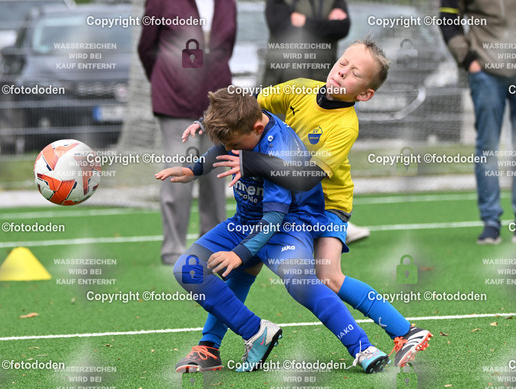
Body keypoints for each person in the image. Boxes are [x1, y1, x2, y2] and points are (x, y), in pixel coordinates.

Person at [180, 39, 432, 371]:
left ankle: (405, 332)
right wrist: (205, 121)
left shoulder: (345, 126)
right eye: (343, 63)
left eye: (355, 74)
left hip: (326, 204)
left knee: (328, 277)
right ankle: (212, 346)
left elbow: (305, 177)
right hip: (286, 198)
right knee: (242, 268)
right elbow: (247, 106)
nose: (342, 72)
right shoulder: (300, 89)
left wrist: (251, 162)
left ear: (365, 94)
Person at [156, 88, 390, 374]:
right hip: (245, 221)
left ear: (257, 129)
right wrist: (193, 170)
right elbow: (224, 147)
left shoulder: (280, 150)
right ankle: (250, 334)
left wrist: (239, 254)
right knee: (187, 268)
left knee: (300, 282)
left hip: (286, 225)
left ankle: (363, 348)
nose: (231, 149)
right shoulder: (244, 125)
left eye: (234, 144)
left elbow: (274, 218)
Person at [438, 0, 516, 244]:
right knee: (487, 147)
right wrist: (469, 61)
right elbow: (448, 19)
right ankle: (491, 222)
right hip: (485, 73)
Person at [138, 0, 236, 264]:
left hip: (217, 103)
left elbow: (226, 48)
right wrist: (168, 79)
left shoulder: (227, 3)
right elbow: (146, 47)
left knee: (216, 175)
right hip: (175, 102)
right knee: (178, 175)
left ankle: (213, 245)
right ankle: (173, 249)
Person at [263, 0, 368, 244]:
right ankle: (276, 217)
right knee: (278, 150)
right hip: (286, 82)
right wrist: (323, 24)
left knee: (321, 157)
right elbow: (281, 26)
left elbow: (342, 28)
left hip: (322, 85)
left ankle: (330, 217)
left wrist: (305, 22)